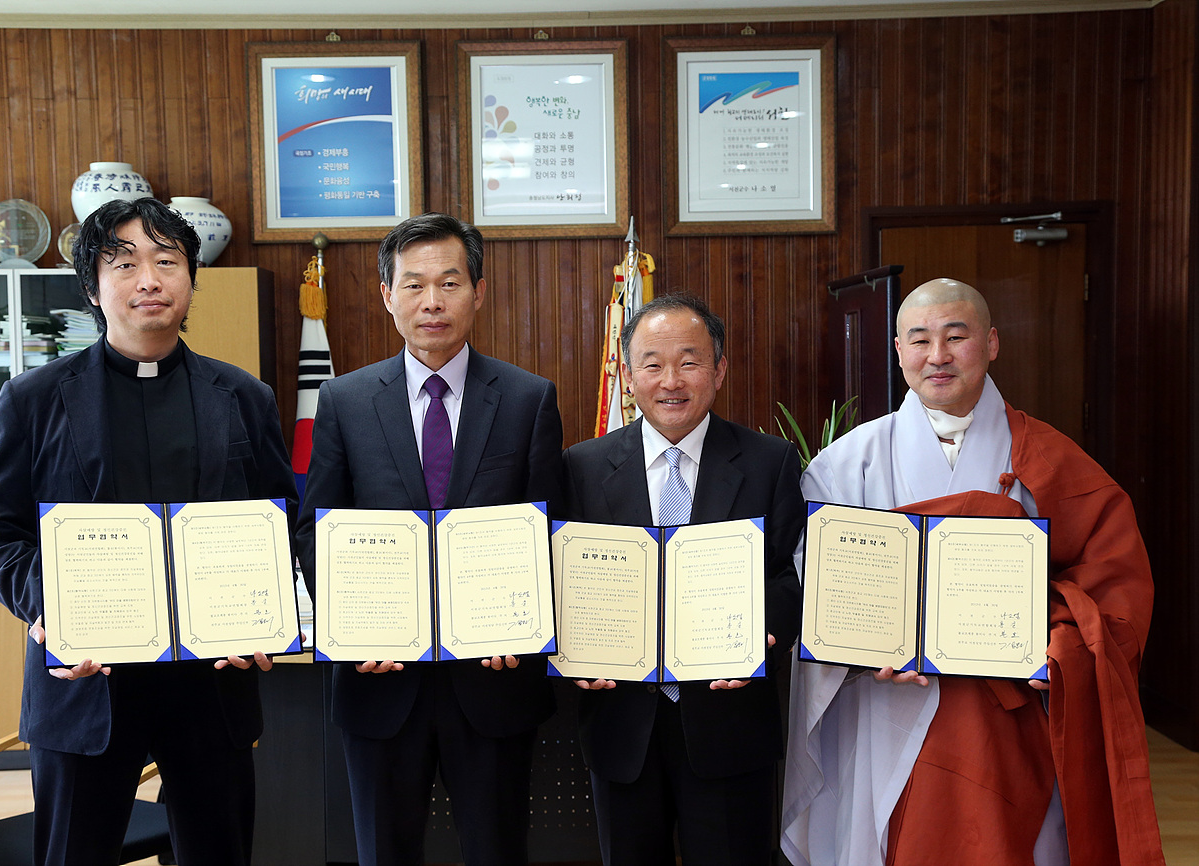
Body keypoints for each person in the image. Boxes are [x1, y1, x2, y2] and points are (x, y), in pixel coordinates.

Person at [781, 278, 1164, 866]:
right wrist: (860, 652)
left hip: (1006, 719)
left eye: (956, 337)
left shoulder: (1051, 460)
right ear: (898, 349)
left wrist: (1059, 649)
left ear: (990, 344)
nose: (938, 355)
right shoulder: (847, 463)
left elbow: (1113, 588)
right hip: (885, 705)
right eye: (920, 339)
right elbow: (815, 583)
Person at [0, 197, 298, 866]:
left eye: (167, 261)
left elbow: (283, 526)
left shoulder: (244, 397)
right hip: (85, 679)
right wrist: (45, 608)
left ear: (190, 281)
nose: (148, 279)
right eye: (124, 263)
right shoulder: (32, 399)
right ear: (92, 286)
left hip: (213, 679)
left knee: (220, 853)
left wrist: (275, 615)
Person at [294, 212, 563, 866]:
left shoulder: (528, 399)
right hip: (381, 680)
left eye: (449, 282)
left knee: (497, 852)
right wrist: (351, 627)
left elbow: (552, 530)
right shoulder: (345, 401)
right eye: (413, 285)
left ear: (479, 291)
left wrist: (523, 627)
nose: (433, 301)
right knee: (385, 852)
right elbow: (314, 530)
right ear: (387, 295)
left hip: (493, 681)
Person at [559, 293, 805, 866]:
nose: (671, 380)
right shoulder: (582, 466)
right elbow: (564, 582)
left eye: (690, 361)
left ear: (718, 369)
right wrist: (574, 648)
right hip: (622, 721)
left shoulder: (770, 461)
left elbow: (792, 575)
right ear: (625, 373)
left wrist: (765, 634)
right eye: (652, 363)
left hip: (729, 721)